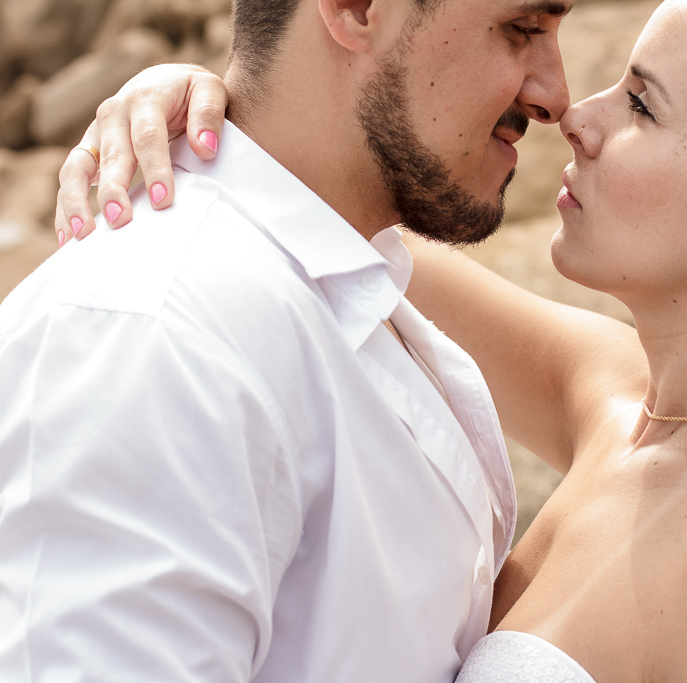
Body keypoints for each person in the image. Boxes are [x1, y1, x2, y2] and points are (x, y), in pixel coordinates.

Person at [52, 0, 687, 680]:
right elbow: (327, 226)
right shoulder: (622, 411)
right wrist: (206, 115)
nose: (577, 111)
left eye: (642, 106)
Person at [0, 0, 575, 681]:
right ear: (356, 9)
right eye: (523, 29)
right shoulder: (161, 334)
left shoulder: (349, 284)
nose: (556, 97)